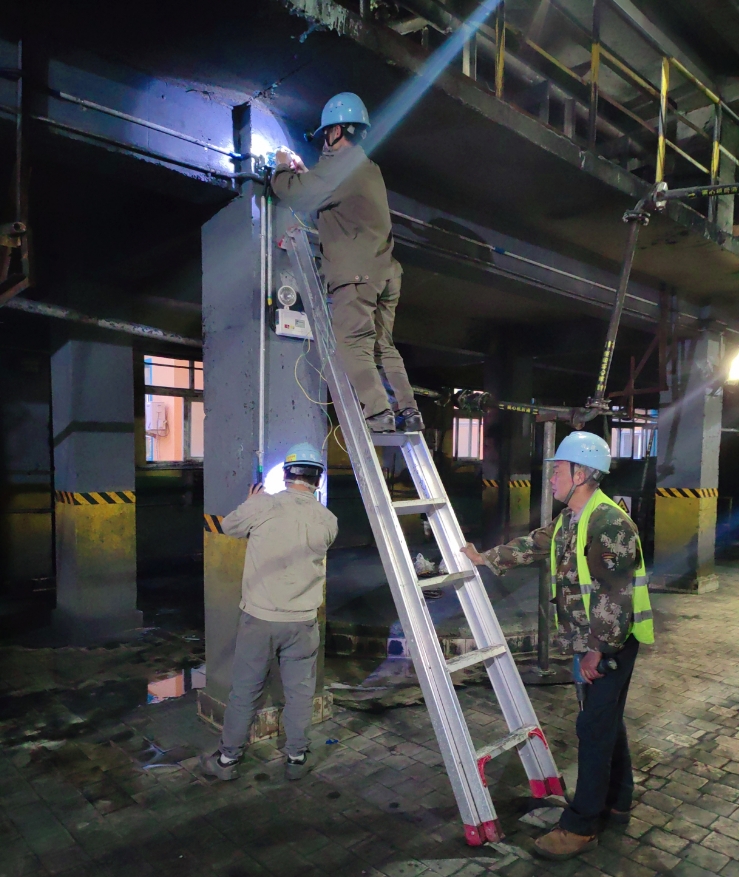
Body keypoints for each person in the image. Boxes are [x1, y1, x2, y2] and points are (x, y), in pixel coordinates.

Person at [461, 432, 654, 861]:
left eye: (557, 470)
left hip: (608, 645)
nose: (550, 478)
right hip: (592, 640)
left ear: (580, 474)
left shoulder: (609, 524)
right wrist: (485, 558)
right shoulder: (573, 518)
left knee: (592, 729)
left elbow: (615, 595)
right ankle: (618, 800)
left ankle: (582, 825)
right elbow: (536, 543)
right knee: (605, 720)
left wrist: (597, 651)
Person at [270, 92, 423, 435]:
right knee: (383, 346)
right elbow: (329, 192)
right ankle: (409, 411)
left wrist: (281, 166)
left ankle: (379, 414)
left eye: (327, 132)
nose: (325, 139)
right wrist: (307, 173)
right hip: (385, 273)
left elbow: (296, 194)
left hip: (357, 275)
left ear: (337, 130)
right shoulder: (367, 168)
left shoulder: (342, 165)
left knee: (352, 343)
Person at [200, 443, 338, 782]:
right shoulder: (328, 519)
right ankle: (296, 758)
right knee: (300, 694)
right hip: (303, 622)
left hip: (260, 620)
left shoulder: (264, 505)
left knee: (245, 691)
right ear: (318, 480)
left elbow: (230, 527)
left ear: (286, 474)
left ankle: (227, 761)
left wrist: (252, 501)